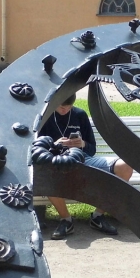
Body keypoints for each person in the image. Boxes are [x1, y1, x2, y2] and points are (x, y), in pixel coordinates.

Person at [37, 93, 133, 239]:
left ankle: (97, 216)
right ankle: (66, 220)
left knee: (124, 166)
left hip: (83, 159)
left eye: (68, 107)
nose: (64, 110)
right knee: (44, 173)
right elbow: (36, 149)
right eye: (61, 107)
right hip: (55, 163)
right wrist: (55, 144)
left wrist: (82, 144)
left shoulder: (80, 115)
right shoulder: (44, 117)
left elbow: (91, 149)